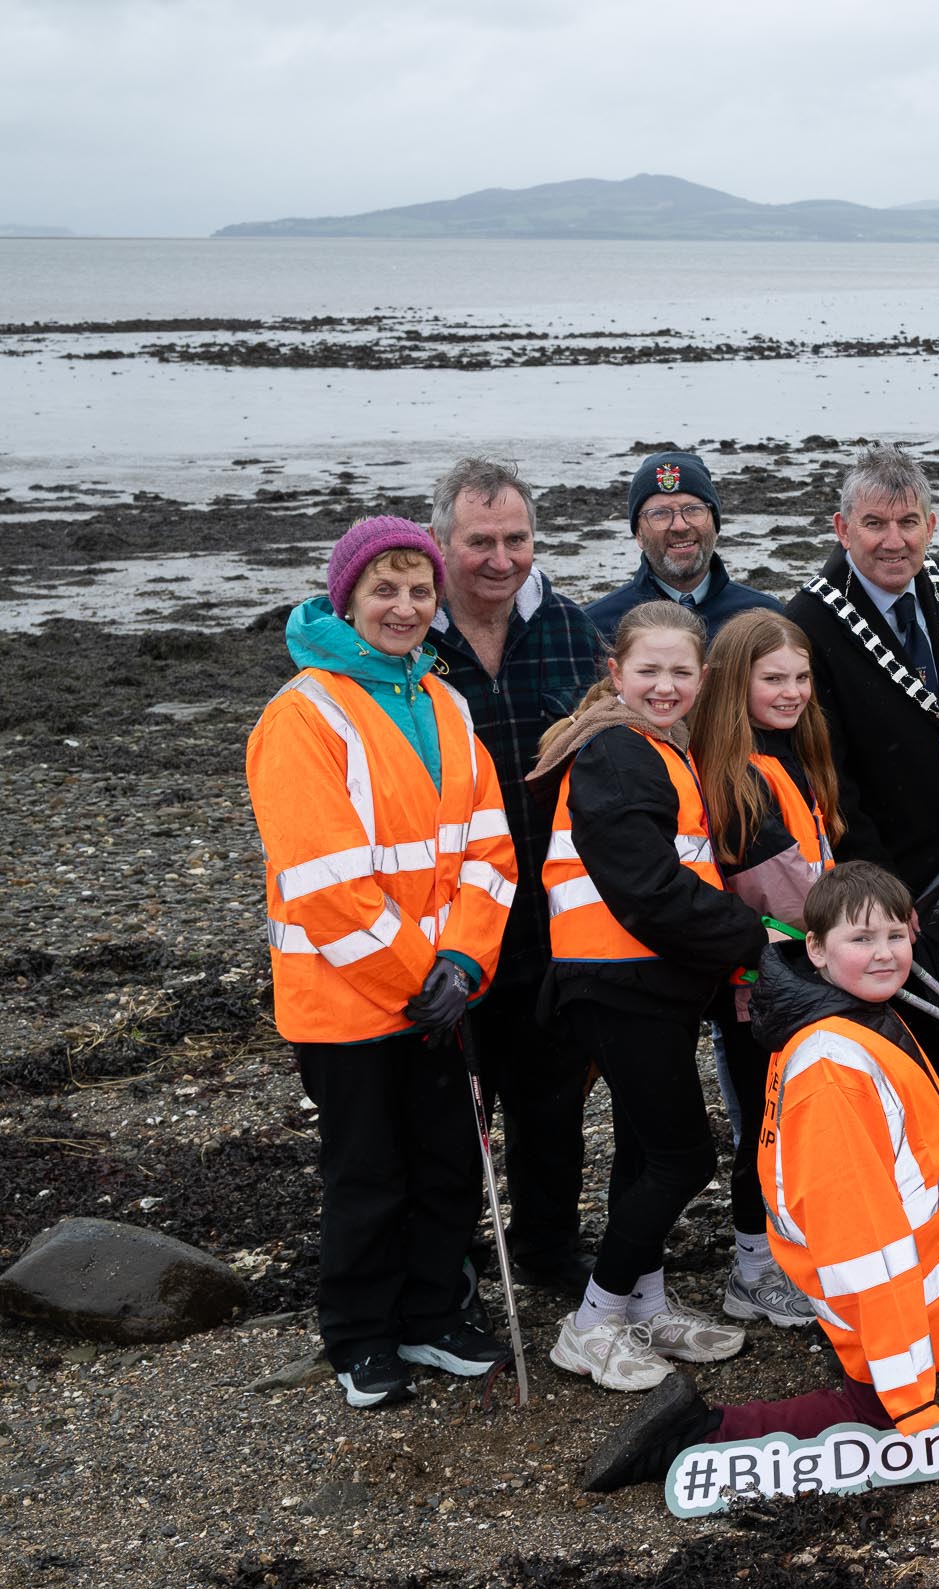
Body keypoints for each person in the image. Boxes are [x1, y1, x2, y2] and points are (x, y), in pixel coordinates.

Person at [578, 863, 939, 1493]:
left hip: (897, 1282)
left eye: (896, 935)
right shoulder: (834, 1064)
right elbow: (866, 1245)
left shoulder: (855, 1015)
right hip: (877, 1291)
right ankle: (700, 1432)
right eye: (861, 939)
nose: (885, 954)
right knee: (874, 1416)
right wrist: (909, 1397)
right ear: (815, 949)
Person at [245, 515, 517, 1407]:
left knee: (447, 1162)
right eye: (385, 590)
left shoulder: (444, 700)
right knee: (367, 1174)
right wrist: (422, 980)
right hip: (348, 1005)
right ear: (346, 599)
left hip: (442, 992)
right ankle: (362, 1337)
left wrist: (464, 966)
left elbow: (489, 850)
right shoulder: (303, 716)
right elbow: (328, 888)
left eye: (419, 590)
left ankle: (433, 1313)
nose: (404, 607)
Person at [530, 602, 765, 1390]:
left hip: (652, 983)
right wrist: (751, 941)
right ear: (616, 674)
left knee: (639, 1150)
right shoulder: (616, 754)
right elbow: (649, 890)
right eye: (648, 671)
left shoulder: (667, 753)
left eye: (680, 673)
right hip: (615, 980)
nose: (664, 687)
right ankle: (593, 1322)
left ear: (704, 679)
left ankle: (646, 1302)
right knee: (681, 1156)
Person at [422, 456, 606, 1293]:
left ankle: (547, 1249)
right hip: (451, 923)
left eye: (517, 540)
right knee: (451, 1115)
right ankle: (449, 1269)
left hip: (553, 915)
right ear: (439, 542)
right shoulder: (405, 643)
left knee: (554, 1103)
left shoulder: (569, 627)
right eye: (480, 542)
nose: (501, 559)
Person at [688, 610, 843, 1330]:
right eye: (772, 678)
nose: (791, 692)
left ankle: (787, 1251)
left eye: (802, 677)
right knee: (763, 1126)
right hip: (764, 990)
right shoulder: (738, 771)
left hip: (803, 975)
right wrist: (858, 925)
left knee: (791, 1124)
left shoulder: (789, 755)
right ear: (732, 684)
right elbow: (778, 888)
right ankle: (753, 1267)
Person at [786, 446, 939, 894]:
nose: (893, 541)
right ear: (843, 529)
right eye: (874, 523)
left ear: (930, 527)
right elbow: (826, 770)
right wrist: (874, 876)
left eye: (908, 522)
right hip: (883, 861)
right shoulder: (808, 622)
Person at [584, 450, 782, 641]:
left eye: (694, 510)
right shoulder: (596, 627)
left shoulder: (767, 618)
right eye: (659, 513)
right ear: (639, 534)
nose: (680, 526)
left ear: (715, 524)